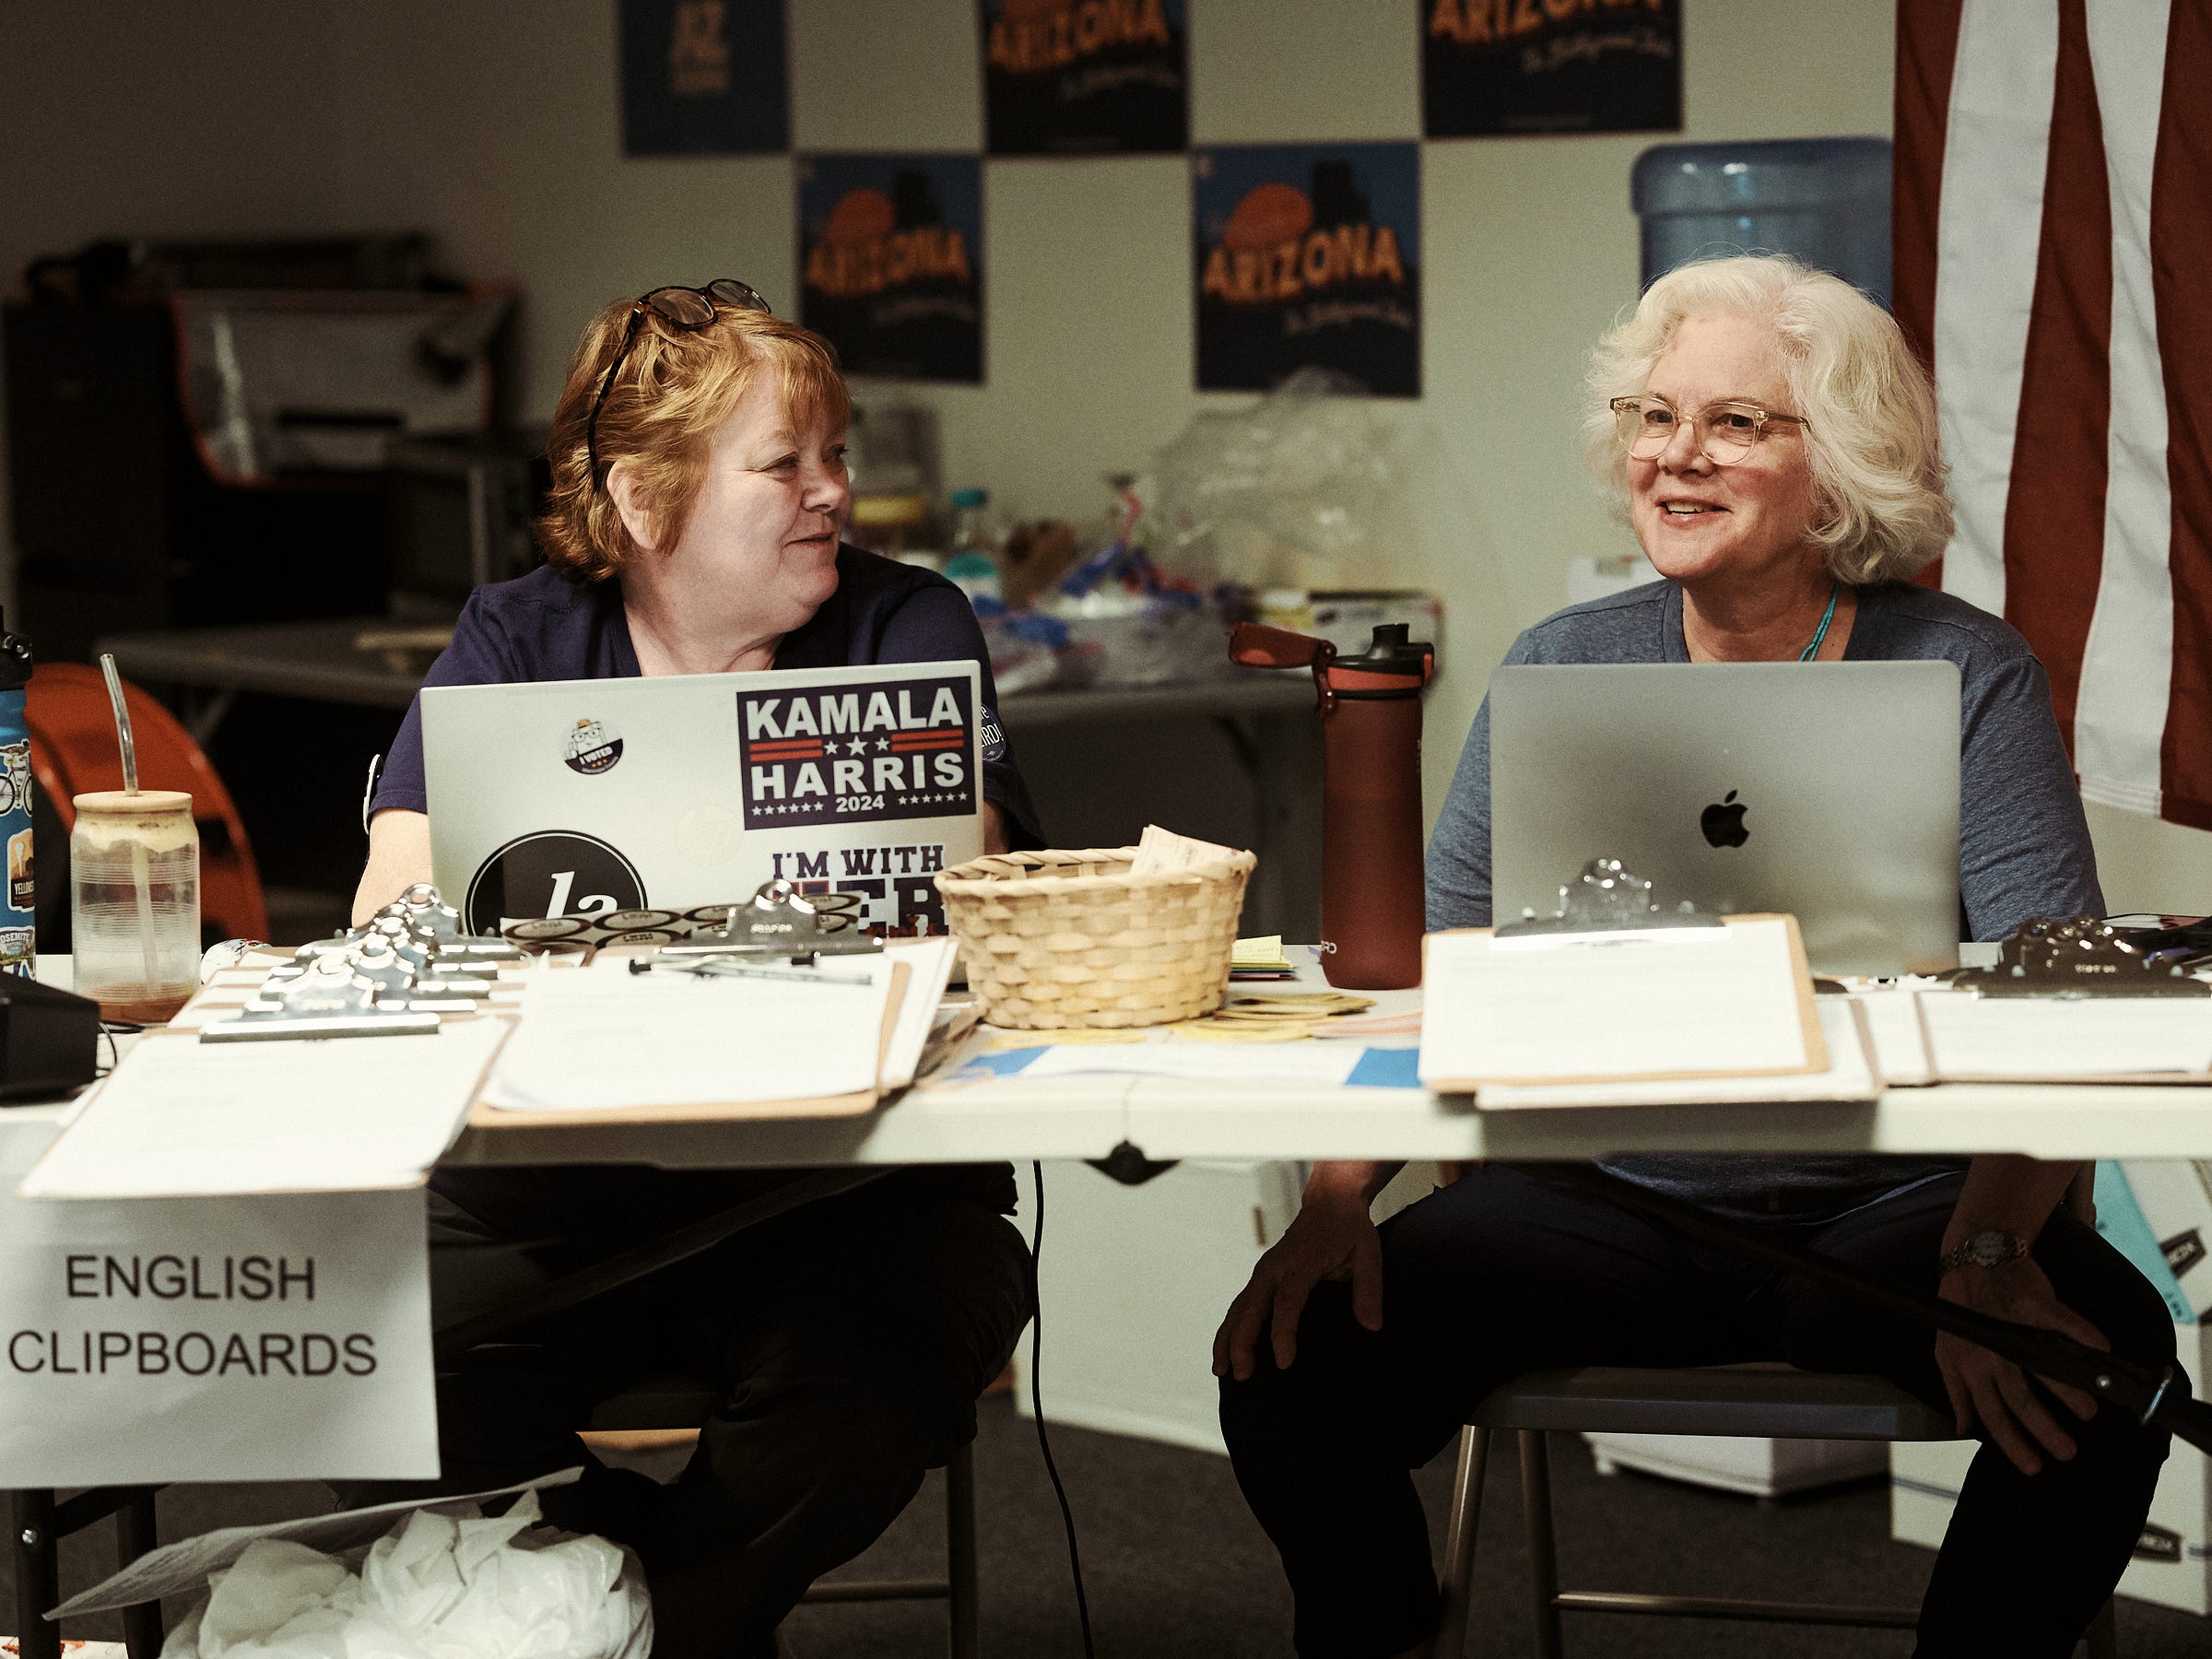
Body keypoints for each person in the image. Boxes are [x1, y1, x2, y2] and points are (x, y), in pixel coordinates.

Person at [1214, 255, 2180, 1659]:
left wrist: (1987, 1241)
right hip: (1613, 1204)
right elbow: (1436, 970)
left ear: (1837, 465)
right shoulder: (1557, 666)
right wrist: (1335, 1201)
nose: (1675, 456)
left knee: (2110, 1372)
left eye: (1735, 423)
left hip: (1893, 1208)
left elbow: (2050, 996)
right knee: (1289, 1363)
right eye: (1652, 418)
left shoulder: (1968, 670)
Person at [350, 282, 1038, 1659]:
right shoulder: (517, 635)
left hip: (836, 1193)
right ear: (644, 497)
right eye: (784, 464)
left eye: (834, 455)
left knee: (870, 1378)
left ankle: (642, 1624)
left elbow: (965, 883)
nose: (832, 492)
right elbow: (396, 899)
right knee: (350, 1347)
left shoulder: (907, 628)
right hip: (557, 1190)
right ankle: (632, 1599)